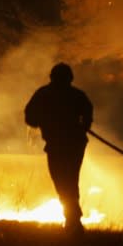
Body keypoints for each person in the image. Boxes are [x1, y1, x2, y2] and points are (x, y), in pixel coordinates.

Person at [25, 62, 93, 236]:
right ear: (70, 78)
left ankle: (73, 219)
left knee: (62, 181)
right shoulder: (77, 95)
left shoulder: (44, 94)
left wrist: (43, 121)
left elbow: (30, 117)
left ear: (52, 77)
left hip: (58, 145)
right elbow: (88, 113)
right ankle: (73, 218)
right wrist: (82, 126)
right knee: (70, 180)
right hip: (74, 144)